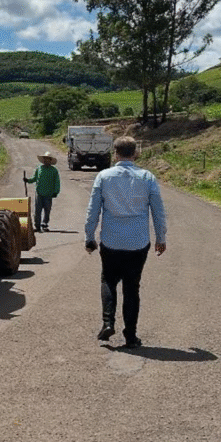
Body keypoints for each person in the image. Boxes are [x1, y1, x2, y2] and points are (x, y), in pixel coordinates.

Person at [83, 137, 166, 349]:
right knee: (132, 288)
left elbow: (93, 211)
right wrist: (161, 237)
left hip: (111, 240)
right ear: (135, 153)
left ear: (115, 153)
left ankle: (108, 322)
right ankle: (130, 335)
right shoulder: (147, 177)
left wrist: (89, 236)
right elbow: (158, 211)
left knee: (108, 281)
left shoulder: (103, 176)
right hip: (138, 243)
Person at [23, 151, 61, 232]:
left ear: (50, 160)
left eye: (48, 159)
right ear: (43, 160)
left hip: (49, 194)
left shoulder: (54, 171)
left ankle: (44, 224)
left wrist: (56, 191)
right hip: (39, 193)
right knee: (37, 210)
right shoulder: (39, 168)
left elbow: (57, 182)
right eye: (45, 159)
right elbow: (34, 178)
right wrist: (27, 180)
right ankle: (37, 226)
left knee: (47, 210)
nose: (46, 161)